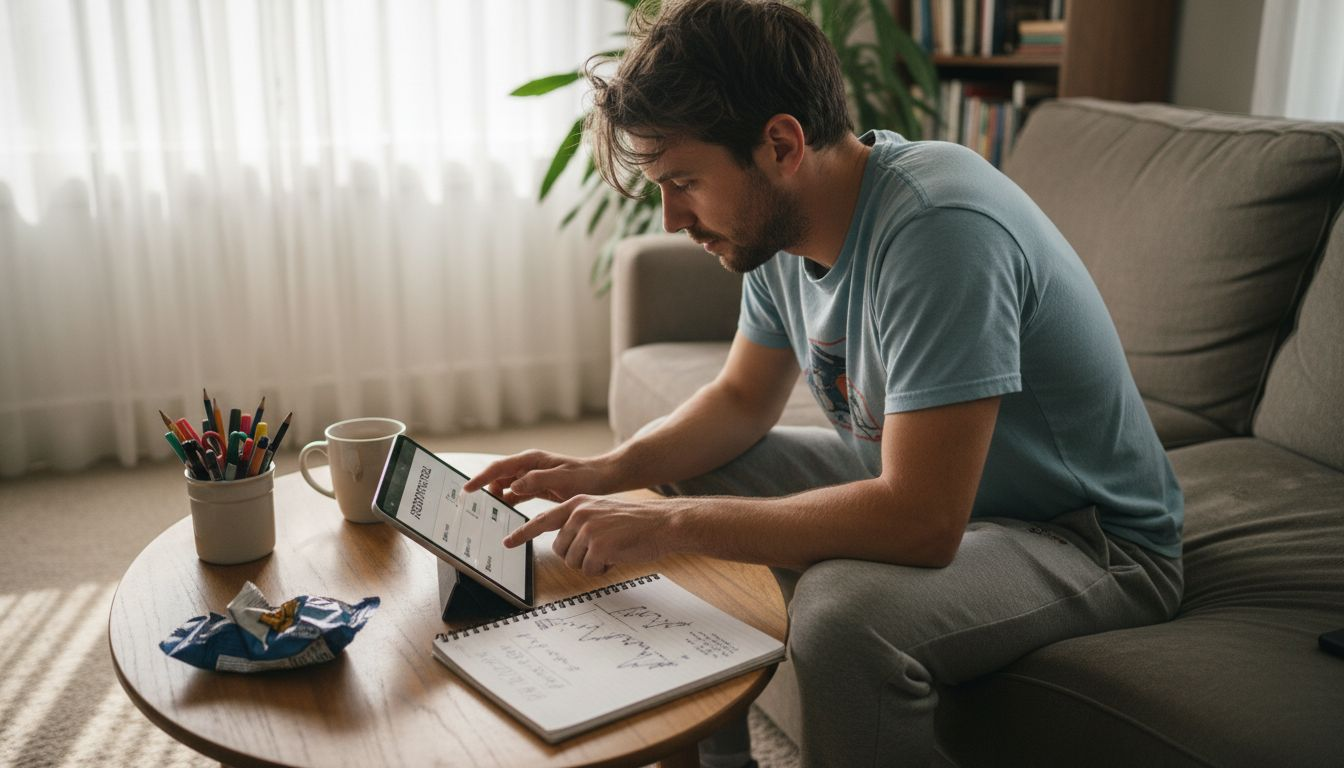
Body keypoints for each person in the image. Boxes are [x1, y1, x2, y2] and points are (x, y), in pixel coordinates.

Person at [463, 1, 1184, 765]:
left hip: (1089, 537)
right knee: (686, 470)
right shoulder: (781, 228)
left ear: (780, 144)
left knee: (843, 618)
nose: (673, 218)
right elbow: (741, 399)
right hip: (950, 489)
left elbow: (921, 520)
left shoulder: (940, 229)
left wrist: (670, 526)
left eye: (684, 182)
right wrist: (607, 470)